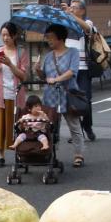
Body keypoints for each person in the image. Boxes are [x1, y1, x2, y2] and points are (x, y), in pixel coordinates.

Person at [34, 24, 85, 168]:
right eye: (47, 38)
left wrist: (57, 79)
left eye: (51, 37)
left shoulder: (73, 52)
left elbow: (72, 71)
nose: (48, 41)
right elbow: (45, 77)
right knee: (51, 127)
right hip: (51, 96)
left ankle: (78, 154)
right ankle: (51, 153)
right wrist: (37, 70)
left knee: (74, 126)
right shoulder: (49, 56)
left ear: (60, 38)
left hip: (68, 95)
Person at [0, 22, 29, 167]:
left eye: (8, 35)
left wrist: (10, 64)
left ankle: (19, 153)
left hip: (15, 95)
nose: (5, 38)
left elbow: (23, 76)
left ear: (14, 35)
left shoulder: (21, 52)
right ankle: (0, 155)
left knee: (17, 126)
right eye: (3, 35)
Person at [64, 0, 97, 141]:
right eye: (71, 6)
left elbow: (88, 29)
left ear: (82, 10)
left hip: (83, 68)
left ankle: (87, 126)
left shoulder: (87, 22)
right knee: (71, 101)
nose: (72, 9)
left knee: (85, 99)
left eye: (75, 7)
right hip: (69, 69)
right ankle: (76, 132)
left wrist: (70, 15)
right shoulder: (66, 24)